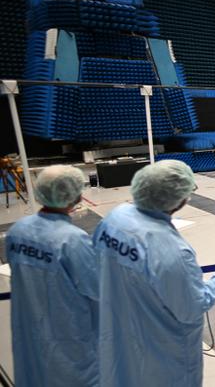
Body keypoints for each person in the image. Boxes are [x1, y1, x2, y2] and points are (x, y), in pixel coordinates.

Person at [93, 160, 215, 386]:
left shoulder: (115, 218)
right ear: (179, 199)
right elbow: (192, 306)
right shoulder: (172, 251)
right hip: (160, 357)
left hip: (117, 337)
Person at [5, 165, 98, 386]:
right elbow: (97, 289)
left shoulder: (18, 230)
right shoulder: (72, 240)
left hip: (30, 330)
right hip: (70, 340)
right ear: (75, 196)